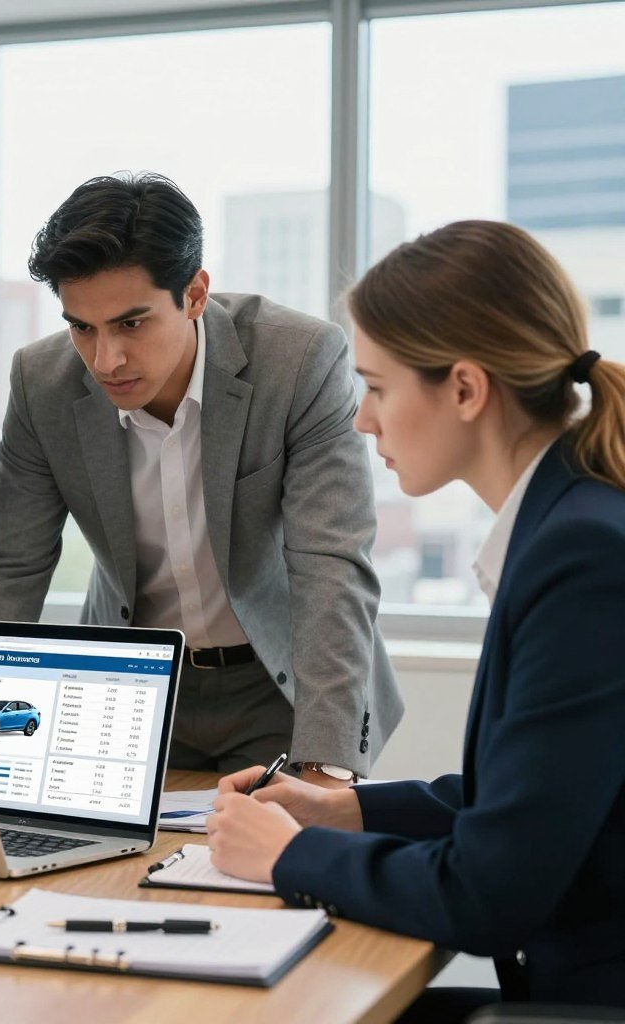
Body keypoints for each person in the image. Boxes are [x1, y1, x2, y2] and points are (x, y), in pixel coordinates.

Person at [208, 220, 625, 1017]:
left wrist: (292, 857)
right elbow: (535, 796)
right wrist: (350, 809)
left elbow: (487, 893)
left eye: (377, 387)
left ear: (465, 389)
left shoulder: (582, 559)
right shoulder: (570, 521)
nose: (364, 421)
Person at [0, 173, 402, 783]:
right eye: (81, 327)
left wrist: (327, 766)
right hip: (128, 689)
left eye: (131, 324)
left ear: (194, 294)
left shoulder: (298, 361)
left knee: (270, 868)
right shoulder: (42, 383)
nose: (104, 360)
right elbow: (9, 566)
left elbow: (332, 565)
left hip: (278, 685)